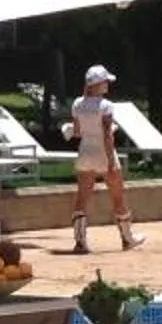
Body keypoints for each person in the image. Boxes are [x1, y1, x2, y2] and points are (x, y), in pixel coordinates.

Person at [62, 64, 137, 254]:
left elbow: (77, 131)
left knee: (82, 197)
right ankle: (127, 238)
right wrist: (111, 160)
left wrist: (69, 130)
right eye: (105, 82)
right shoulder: (106, 106)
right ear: (98, 84)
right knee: (117, 195)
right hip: (102, 151)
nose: (107, 85)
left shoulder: (77, 104)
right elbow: (107, 135)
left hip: (85, 150)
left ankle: (80, 241)